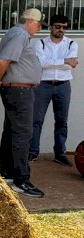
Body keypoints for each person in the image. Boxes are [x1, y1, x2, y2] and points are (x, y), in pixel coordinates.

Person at [0, 8, 44, 198]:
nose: (39, 27)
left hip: (17, 89)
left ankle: (8, 173)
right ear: (30, 21)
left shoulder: (15, 33)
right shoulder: (20, 34)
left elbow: (3, 61)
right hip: (19, 90)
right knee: (23, 133)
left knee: (12, 130)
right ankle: (21, 180)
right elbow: (3, 61)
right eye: (39, 24)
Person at [29, 14, 78, 166]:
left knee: (62, 120)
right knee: (36, 120)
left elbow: (72, 64)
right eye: (58, 26)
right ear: (50, 27)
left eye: (64, 27)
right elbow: (41, 63)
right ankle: (32, 152)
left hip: (63, 86)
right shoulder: (40, 43)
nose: (61, 30)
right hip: (43, 85)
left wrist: (62, 63)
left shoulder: (71, 44)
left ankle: (60, 153)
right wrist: (65, 61)